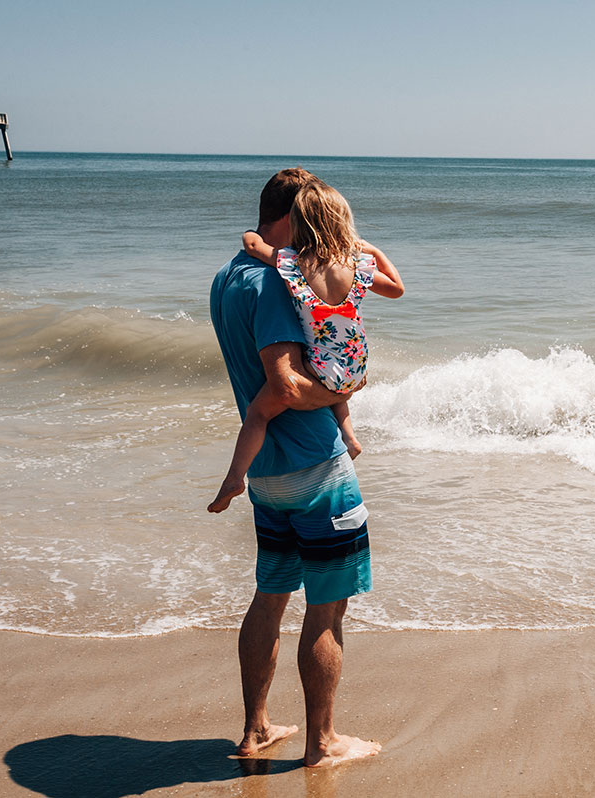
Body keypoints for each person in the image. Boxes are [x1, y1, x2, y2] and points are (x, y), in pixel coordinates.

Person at [208, 167, 382, 767]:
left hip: (268, 476)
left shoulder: (227, 278)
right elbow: (282, 386)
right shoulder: (272, 283)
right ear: (291, 217)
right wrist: (347, 385)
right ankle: (322, 743)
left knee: (271, 594)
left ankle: (256, 730)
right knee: (327, 608)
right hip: (316, 471)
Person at [209, 181, 404, 513]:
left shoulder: (292, 265)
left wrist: (247, 236)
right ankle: (350, 436)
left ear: (298, 222)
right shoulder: (357, 266)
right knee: (336, 384)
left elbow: (255, 246)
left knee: (259, 412)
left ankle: (234, 477)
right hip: (354, 362)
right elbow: (397, 288)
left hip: (320, 364)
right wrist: (371, 250)